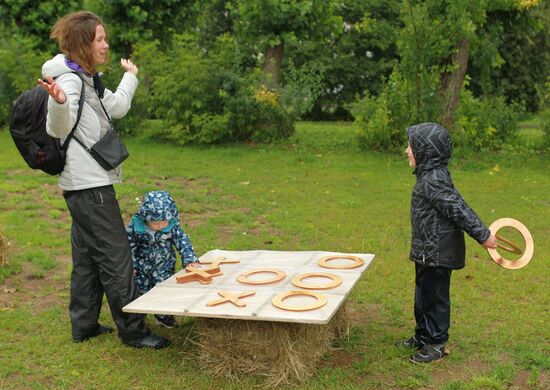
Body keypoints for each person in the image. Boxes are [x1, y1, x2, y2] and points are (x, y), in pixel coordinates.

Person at [38, 11, 169, 349]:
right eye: (100, 39)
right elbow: (57, 128)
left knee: (86, 258)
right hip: (89, 188)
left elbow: (118, 107)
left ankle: (84, 325)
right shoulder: (69, 81)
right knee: (115, 257)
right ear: (83, 43)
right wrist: (59, 104)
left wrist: (131, 76)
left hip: (83, 187)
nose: (106, 44)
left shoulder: (86, 78)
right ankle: (134, 331)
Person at [397, 122, 497, 363]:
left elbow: (458, 209)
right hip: (425, 250)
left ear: (426, 151)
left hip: (437, 252)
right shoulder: (429, 175)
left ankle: (436, 342)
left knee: (435, 298)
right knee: (422, 296)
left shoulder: (434, 180)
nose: (406, 151)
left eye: (411, 147)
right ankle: (422, 335)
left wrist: (483, 234)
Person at [127, 191, 200, 328]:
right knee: (140, 291)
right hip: (142, 268)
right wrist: (132, 264)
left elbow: (182, 242)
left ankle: (163, 318)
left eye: (163, 222)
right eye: (155, 223)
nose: (160, 226)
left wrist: (190, 259)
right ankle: (137, 319)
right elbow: (129, 246)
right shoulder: (136, 227)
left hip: (164, 267)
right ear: (145, 218)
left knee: (163, 292)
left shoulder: (172, 226)